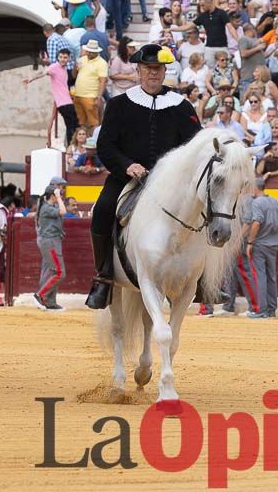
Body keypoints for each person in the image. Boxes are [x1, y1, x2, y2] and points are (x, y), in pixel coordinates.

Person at [85, 43, 202, 309]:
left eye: (158, 69)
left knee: (203, 211)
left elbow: (195, 145)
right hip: (126, 178)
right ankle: (103, 276)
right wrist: (127, 165)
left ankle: (202, 280)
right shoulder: (118, 105)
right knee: (102, 210)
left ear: (164, 71)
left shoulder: (182, 106)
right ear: (138, 70)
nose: (153, 74)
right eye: (148, 68)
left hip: (170, 184)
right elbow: (105, 146)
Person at [245, 175, 278, 318]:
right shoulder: (276, 202)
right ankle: (272, 310)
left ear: (255, 188)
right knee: (271, 276)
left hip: (260, 244)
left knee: (260, 276)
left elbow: (256, 222)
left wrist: (250, 242)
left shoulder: (257, 203)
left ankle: (262, 310)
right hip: (273, 244)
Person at [34, 176, 67, 310]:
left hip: (52, 240)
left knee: (53, 271)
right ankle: (41, 296)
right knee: (56, 272)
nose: (62, 190)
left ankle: (50, 301)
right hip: (49, 241)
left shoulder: (47, 205)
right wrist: (59, 198)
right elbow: (63, 211)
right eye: (60, 188)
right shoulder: (46, 206)